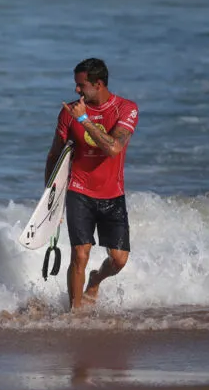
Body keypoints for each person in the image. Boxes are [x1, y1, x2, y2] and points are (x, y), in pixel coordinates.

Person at [45, 58, 139, 310]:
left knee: (119, 260)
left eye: (81, 85)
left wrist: (84, 120)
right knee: (79, 255)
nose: (76, 90)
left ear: (98, 84)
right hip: (79, 191)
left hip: (112, 194)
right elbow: (54, 155)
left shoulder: (126, 109)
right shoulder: (68, 113)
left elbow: (113, 148)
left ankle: (96, 280)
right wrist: (50, 200)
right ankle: (74, 315)